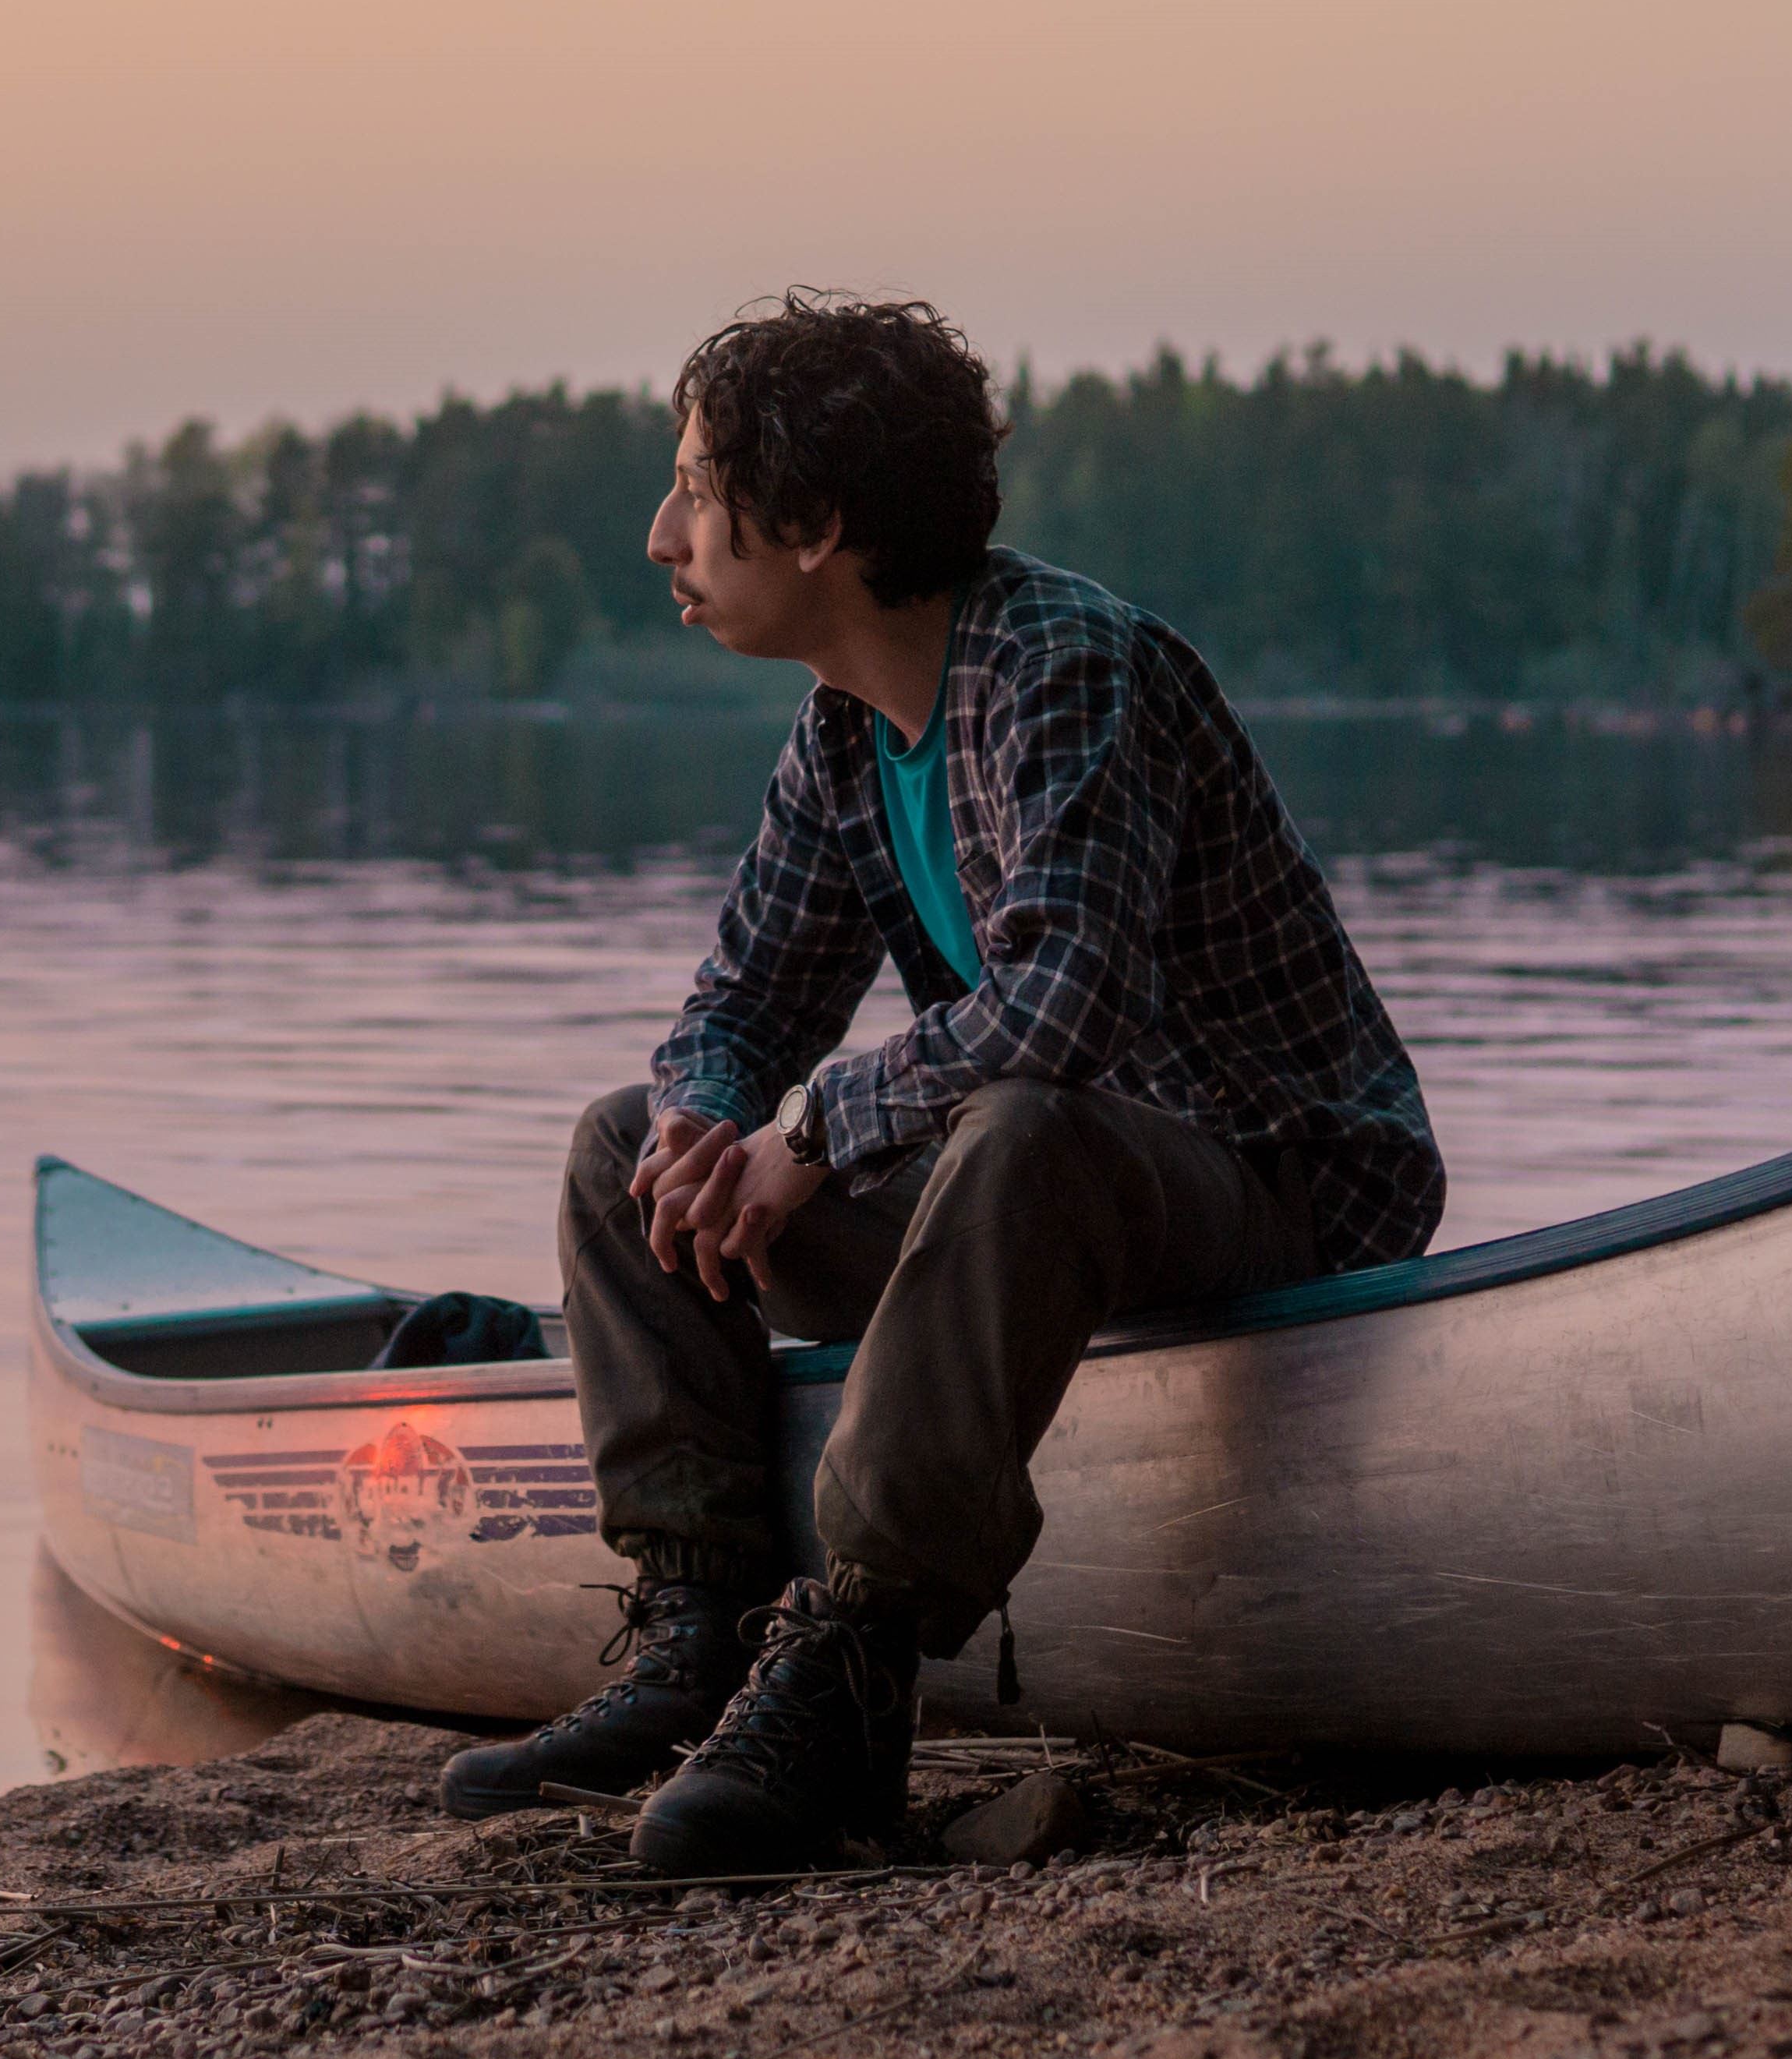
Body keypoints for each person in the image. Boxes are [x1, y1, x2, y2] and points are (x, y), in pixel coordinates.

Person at [437, 294, 1444, 1870]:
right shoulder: (844, 732)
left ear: (819, 521)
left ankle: (850, 1663)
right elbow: (740, 996)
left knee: (1020, 1125)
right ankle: (695, 1633)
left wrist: (818, 1130)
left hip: (1274, 1181)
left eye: (696, 484)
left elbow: (1069, 999)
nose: (661, 534)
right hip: (1031, 1191)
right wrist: (715, 1116)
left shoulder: (1068, 667)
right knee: (621, 1145)